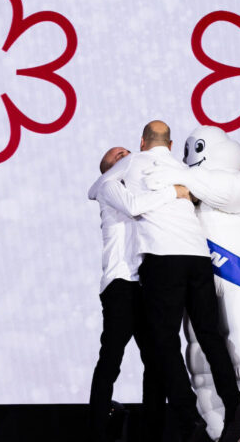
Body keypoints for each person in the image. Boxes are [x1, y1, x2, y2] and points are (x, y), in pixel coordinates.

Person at [97, 121, 240, 442]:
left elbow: (97, 187)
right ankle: (234, 404)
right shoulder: (182, 168)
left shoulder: (132, 163)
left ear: (141, 142)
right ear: (170, 143)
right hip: (197, 257)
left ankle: (189, 417)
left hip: (163, 259)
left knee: (163, 342)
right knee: (210, 335)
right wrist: (179, 190)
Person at [144, 126, 240, 442]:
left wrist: (173, 174)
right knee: (202, 359)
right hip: (196, 274)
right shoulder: (189, 190)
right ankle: (220, 430)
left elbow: (223, 190)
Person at [86, 146, 191, 442]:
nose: (126, 157)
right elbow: (133, 206)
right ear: (106, 166)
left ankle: (153, 431)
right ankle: (96, 431)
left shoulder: (142, 189)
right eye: (117, 155)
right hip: (120, 283)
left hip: (146, 284)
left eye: (127, 153)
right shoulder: (108, 186)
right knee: (111, 359)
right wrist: (174, 191)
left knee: (156, 360)